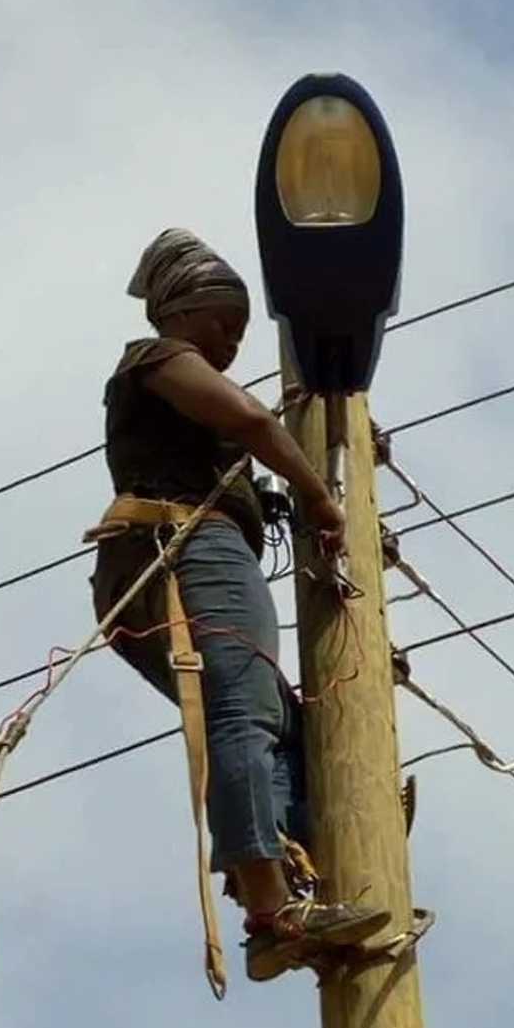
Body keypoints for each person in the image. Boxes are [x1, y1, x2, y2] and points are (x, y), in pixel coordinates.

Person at [89, 228, 391, 982]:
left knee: (290, 726)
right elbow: (253, 423)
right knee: (245, 710)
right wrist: (320, 498)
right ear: (180, 310)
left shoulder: (180, 414)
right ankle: (269, 901)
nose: (232, 340)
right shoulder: (153, 358)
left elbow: (247, 429)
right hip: (184, 547)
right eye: (224, 322)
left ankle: (293, 879)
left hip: (167, 561)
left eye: (243, 329)